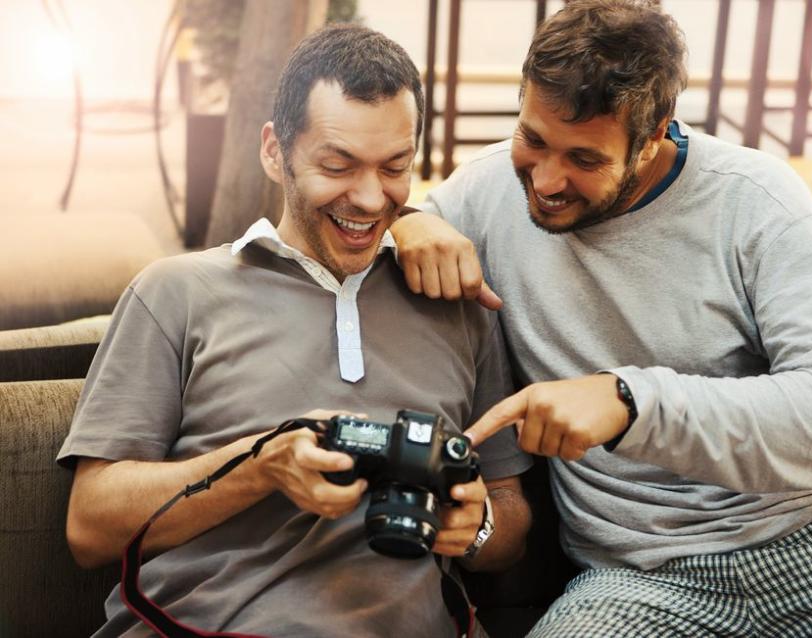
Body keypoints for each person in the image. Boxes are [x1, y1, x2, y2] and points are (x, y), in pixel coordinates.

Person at [389, 1, 812, 635]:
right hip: (640, 576)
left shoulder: (759, 201)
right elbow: (357, 220)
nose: (546, 179)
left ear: (654, 132)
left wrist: (632, 403)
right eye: (533, 138)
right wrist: (409, 219)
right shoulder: (485, 192)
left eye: (585, 159)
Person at [58, 24, 531, 638]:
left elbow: (512, 523)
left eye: (394, 167)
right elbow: (89, 528)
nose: (368, 198)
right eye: (337, 165)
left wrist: (479, 528)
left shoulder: (460, 305)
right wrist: (261, 466)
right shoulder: (174, 291)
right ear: (274, 152)